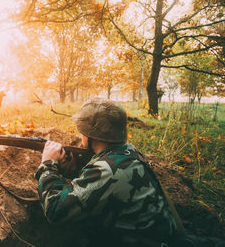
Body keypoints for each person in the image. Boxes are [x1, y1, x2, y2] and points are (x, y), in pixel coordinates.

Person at [35, 98, 178, 247]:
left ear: (90, 133)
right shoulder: (129, 151)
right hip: (156, 235)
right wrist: (73, 169)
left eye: (81, 128)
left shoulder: (107, 170)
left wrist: (47, 165)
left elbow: (55, 210)